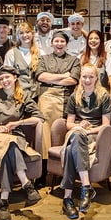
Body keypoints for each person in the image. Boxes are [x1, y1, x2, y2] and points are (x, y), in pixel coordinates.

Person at [0, 67, 44, 220]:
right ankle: (26, 183)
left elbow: (39, 118)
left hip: (15, 136)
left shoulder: (23, 96)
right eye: (1, 79)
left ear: (15, 77)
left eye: (7, 77)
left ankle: (4, 201)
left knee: (10, 146)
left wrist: (18, 122)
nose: (4, 81)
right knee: (9, 143)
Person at [59, 63, 111, 219]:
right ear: (80, 78)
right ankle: (86, 186)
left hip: (95, 134)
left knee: (70, 150)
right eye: (84, 76)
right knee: (76, 135)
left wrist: (88, 130)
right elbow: (68, 124)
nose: (87, 80)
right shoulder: (74, 96)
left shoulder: (104, 96)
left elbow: (106, 125)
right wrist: (78, 125)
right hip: (77, 132)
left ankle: (67, 199)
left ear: (96, 78)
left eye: (91, 76)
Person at [35, 30, 81, 186]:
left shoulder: (74, 60)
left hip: (65, 100)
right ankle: (41, 175)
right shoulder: (43, 58)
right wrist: (63, 76)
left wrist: (52, 79)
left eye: (62, 41)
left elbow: (73, 80)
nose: (59, 44)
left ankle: (63, 172)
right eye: (57, 41)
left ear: (66, 44)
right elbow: (40, 76)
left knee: (62, 135)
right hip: (45, 99)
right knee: (44, 136)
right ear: (52, 43)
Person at [4, 22, 41, 100]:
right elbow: (6, 75)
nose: (25, 35)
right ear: (18, 36)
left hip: (36, 95)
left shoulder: (39, 52)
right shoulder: (11, 53)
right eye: (21, 33)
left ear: (33, 33)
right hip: (18, 95)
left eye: (27, 32)